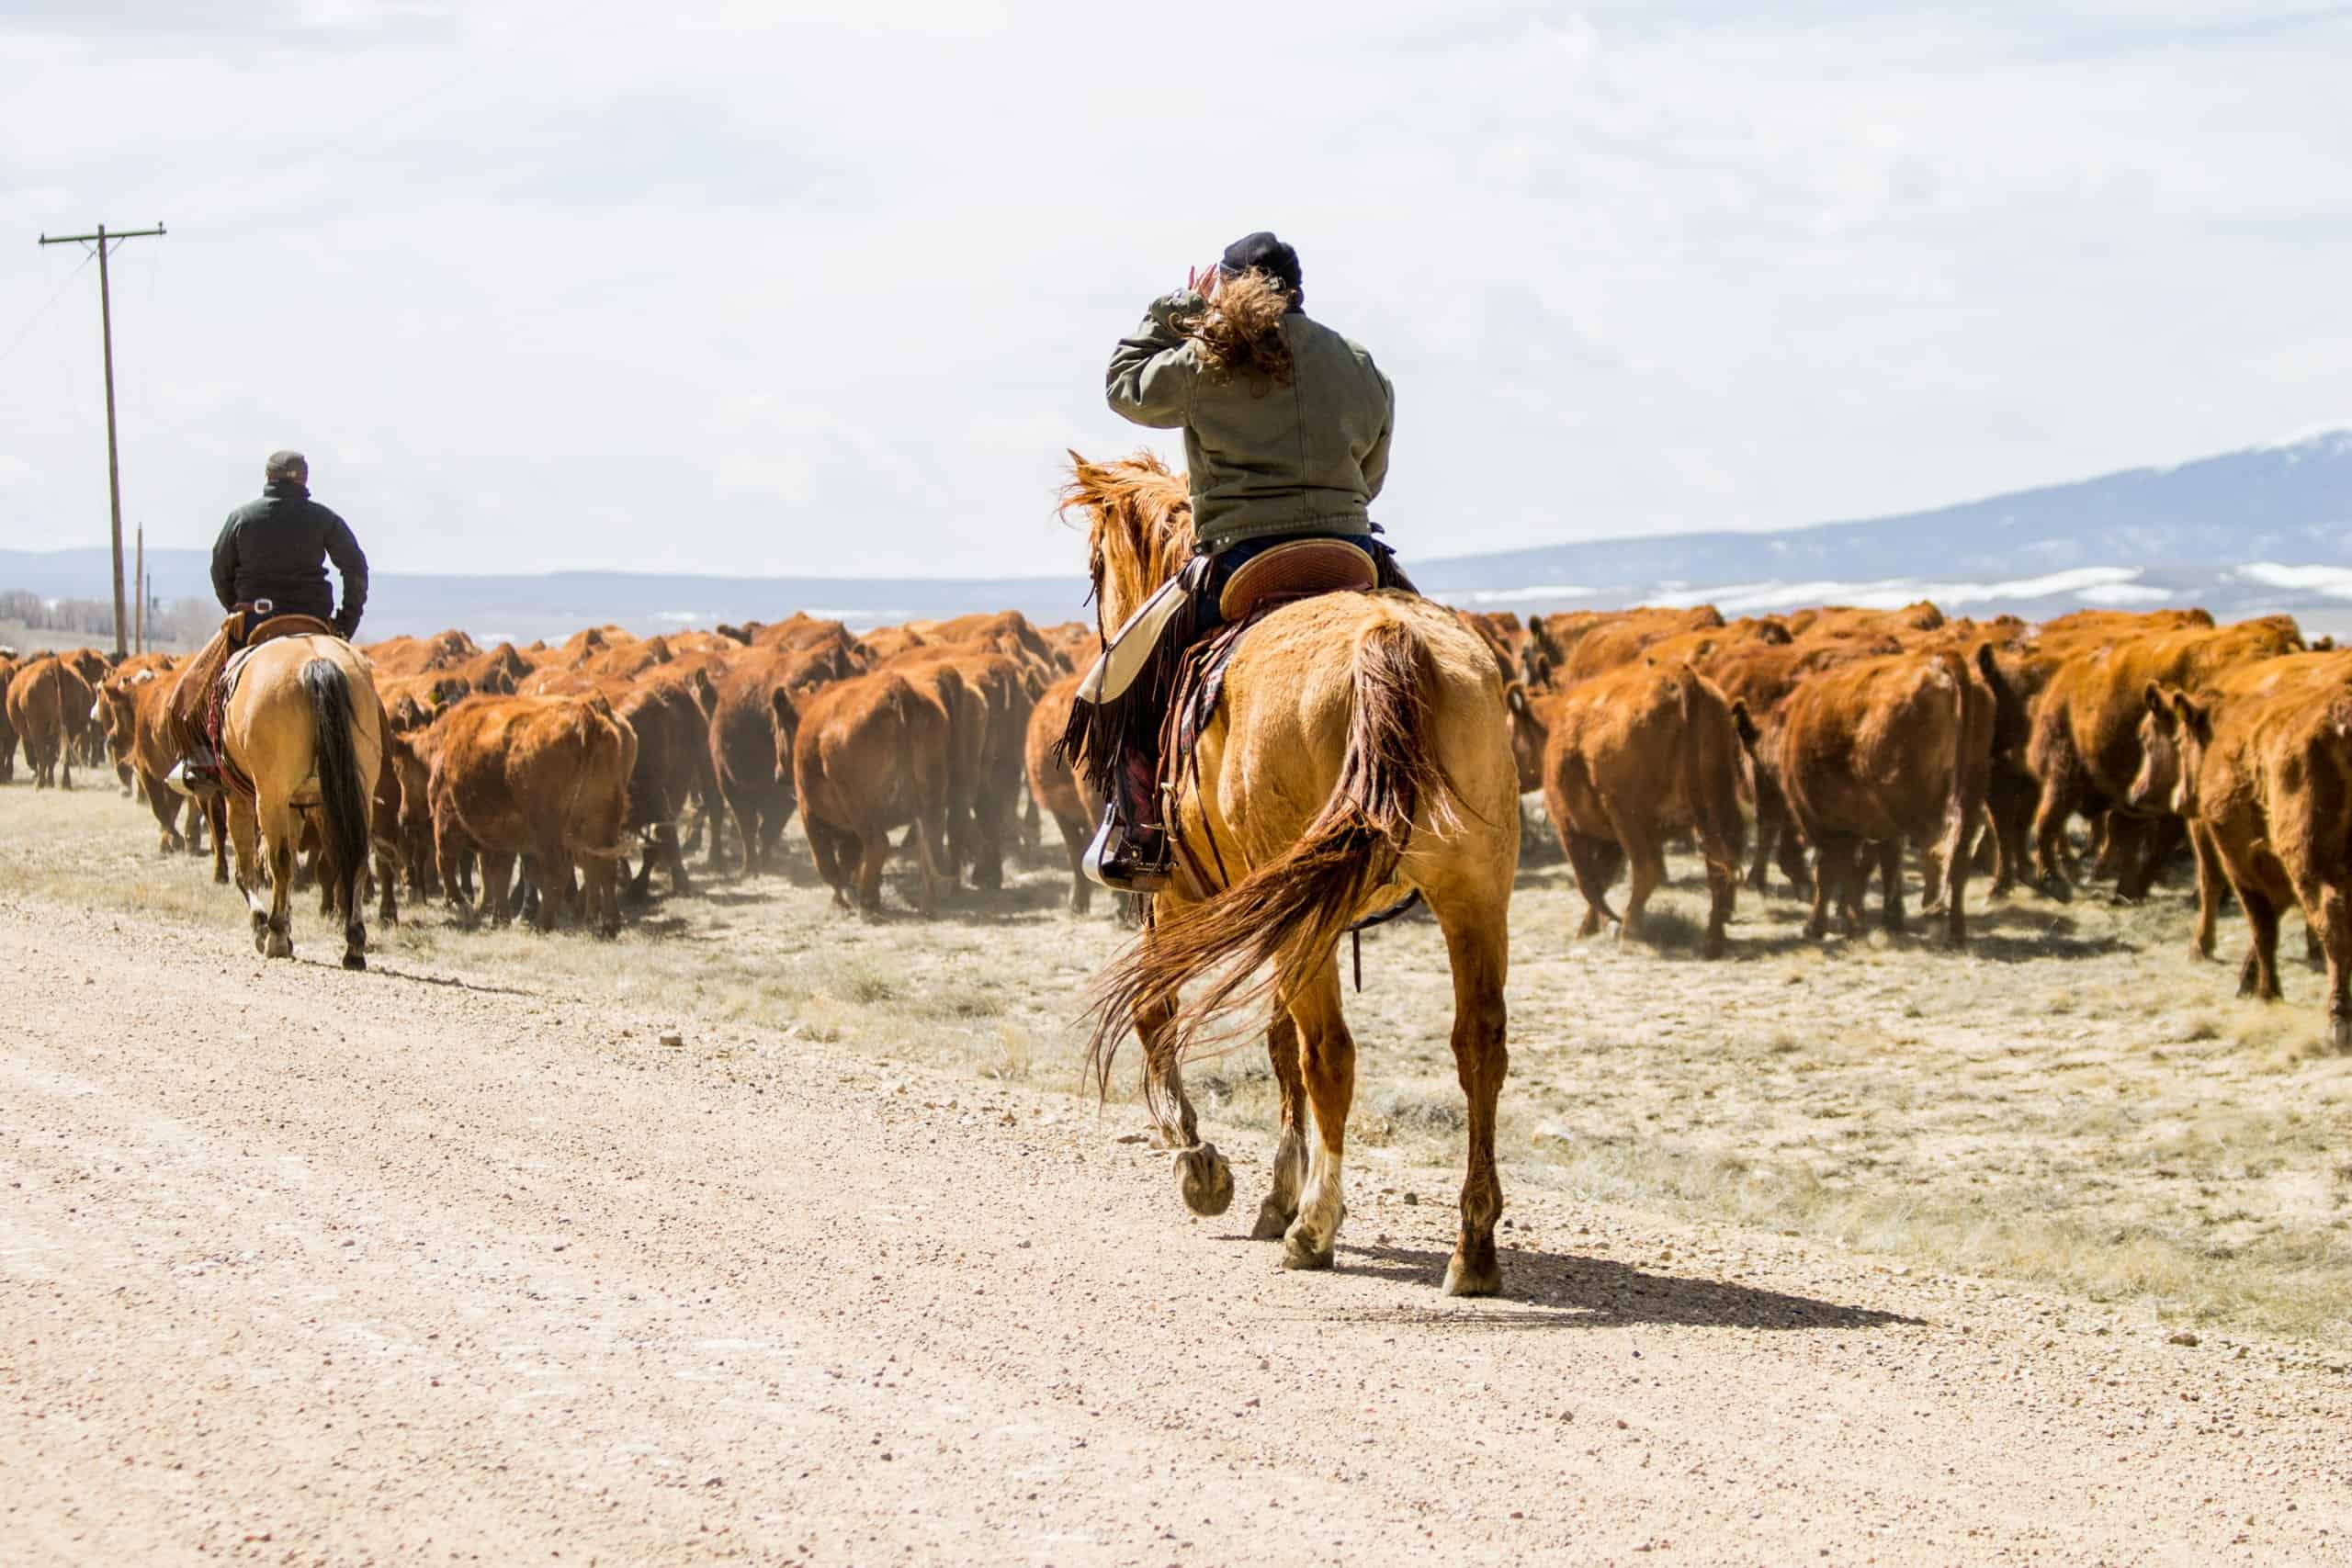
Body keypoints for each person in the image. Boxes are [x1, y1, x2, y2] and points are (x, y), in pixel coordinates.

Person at [1078, 230, 1409, 891]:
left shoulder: (1207, 358)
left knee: (1129, 681)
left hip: (1239, 561)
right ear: (1298, 289)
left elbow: (1123, 386)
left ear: (1226, 288)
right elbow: (1371, 475)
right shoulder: (1359, 362)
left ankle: (1142, 832)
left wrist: (1179, 308)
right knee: (1426, 641)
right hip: (1351, 553)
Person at [168, 449, 370, 790]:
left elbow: (220, 572)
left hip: (254, 624)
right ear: (304, 480)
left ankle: (202, 762)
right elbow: (355, 569)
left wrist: (236, 608)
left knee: (185, 700)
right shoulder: (324, 519)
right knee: (368, 695)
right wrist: (345, 624)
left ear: (268, 478)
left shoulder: (241, 518)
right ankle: (379, 756)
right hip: (317, 625)